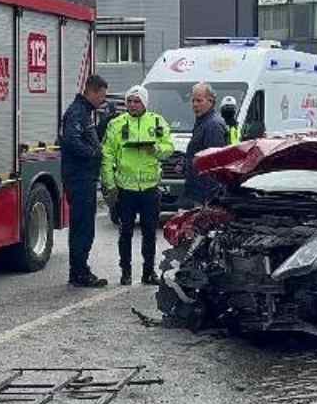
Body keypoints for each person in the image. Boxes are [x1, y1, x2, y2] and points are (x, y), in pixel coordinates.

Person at [101, 86, 174, 285]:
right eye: (130, 101)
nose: (132, 105)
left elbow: (169, 148)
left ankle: (148, 272)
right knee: (125, 233)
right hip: (125, 189)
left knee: (150, 232)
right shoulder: (116, 124)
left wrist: (155, 148)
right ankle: (125, 272)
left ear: (145, 103)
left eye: (137, 101)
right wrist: (110, 185)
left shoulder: (157, 122)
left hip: (150, 188)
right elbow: (107, 155)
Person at [60, 74, 109, 288]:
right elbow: (71, 142)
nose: (103, 100)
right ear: (92, 91)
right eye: (102, 95)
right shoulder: (77, 112)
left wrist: (105, 124)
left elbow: (87, 137)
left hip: (84, 177)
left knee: (84, 226)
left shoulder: (85, 112)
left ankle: (79, 269)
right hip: (79, 178)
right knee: (83, 227)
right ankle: (79, 272)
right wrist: (93, 154)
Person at [183, 82, 230, 205]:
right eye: (193, 101)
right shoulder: (202, 122)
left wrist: (211, 198)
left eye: (199, 101)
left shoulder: (213, 125)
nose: (195, 105)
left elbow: (214, 163)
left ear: (211, 101)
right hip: (199, 190)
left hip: (207, 194)